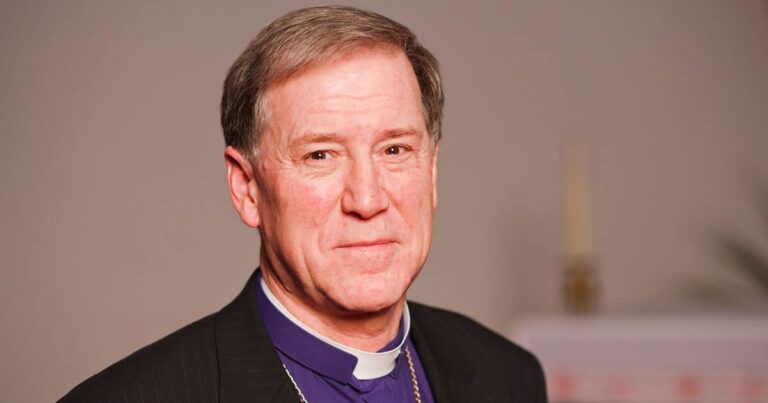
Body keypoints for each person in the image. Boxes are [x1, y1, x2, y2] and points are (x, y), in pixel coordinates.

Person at [59, 6, 546, 402]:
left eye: (395, 150)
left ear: (432, 172)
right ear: (247, 188)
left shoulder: (508, 375)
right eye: (320, 155)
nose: (367, 199)